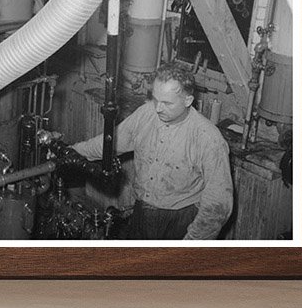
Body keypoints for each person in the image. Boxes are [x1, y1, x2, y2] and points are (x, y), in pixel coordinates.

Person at [72, 61, 233, 240]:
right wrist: (71, 152)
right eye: (155, 99)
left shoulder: (208, 138)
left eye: (167, 103)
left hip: (180, 218)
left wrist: (192, 241)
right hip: (142, 211)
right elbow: (108, 144)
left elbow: (218, 204)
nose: (158, 108)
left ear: (188, 100)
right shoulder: (146, 113)